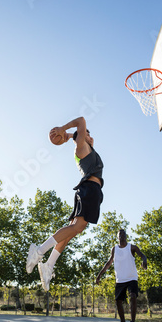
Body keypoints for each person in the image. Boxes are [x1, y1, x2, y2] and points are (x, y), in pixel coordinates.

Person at [26, 116, 104, 291]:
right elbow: (82, 120)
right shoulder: (81, 147)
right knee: (76, 227)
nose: (90, 137)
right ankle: (38, 252)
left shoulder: (87, 149)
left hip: (91, 190)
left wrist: (68, 135)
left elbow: (79, 134)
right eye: (87, 135)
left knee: (71, 232)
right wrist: (63, 129)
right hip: (89, 189)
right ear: (83, 138)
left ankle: (48, 265)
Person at [96, 229, 147, 322]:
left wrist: (144, 261)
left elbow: (143, 255)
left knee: (132, 296)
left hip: (132, 278)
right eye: (120, 234)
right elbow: (109, 262)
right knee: (118, 301)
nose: (122, 235)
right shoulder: (114, 249)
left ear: (126, 236)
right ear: (117, 237)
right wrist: (100, 274)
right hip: (120, 279)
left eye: (123, 234)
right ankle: (122, 320)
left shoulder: (132, 247)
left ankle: (132, 320)